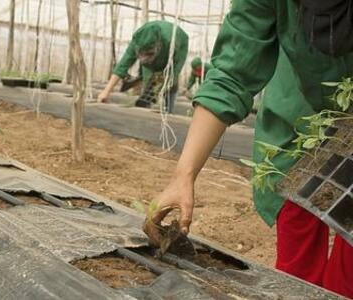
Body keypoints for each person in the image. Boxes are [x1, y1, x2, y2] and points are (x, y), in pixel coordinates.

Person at [144, 0, 353, 298]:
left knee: (347, 275)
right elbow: (232, 72)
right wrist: (183, 175)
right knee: (297, 264)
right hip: (302, 120)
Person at [98, 20, 189, 113]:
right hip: (154, 56)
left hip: (177, 47)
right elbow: (122, 66)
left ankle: (169, 111)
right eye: (142, 55)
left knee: (170, 81)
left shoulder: (171, 42)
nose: (145, 59)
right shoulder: (137, 41)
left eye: (149, 54)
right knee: (148, 81)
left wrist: (165, 80)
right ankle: (145, 107)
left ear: (158, 45)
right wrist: (106, 91)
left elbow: (175, 67)